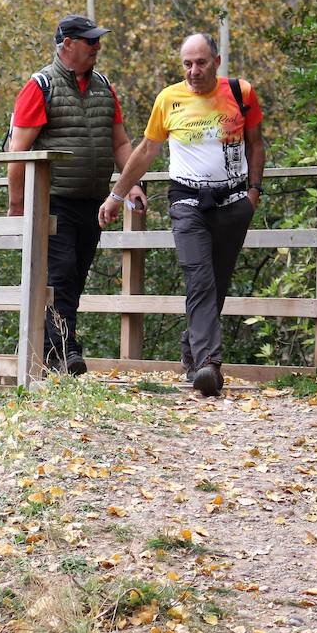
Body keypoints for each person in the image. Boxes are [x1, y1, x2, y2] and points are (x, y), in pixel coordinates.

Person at [100, 32, 264, 398]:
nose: (193, 71)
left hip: (233, 201)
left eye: (201, 62)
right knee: (199, 278)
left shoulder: (242, 94)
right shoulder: (168, 99)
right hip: (187, 201)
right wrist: (117, 195)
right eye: (187, 64)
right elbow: (145, 150)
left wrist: (254, 191)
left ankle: (193, 347)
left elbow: (256, 143)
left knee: (217, 281)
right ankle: (209, 365)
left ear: (216, 62)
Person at [7, 14, 148, 375]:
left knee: (76, 275)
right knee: (62, 273)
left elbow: (119, 141)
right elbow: (18, 151)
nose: (97, 47)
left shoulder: (103, 86)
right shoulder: (40, 86)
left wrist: (129, 184)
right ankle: (66, 350)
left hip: (93, 199)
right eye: (90, 41)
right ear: (67, 44)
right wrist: (18, 204)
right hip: (52, 200)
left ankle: (44, 348)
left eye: (98, 41)